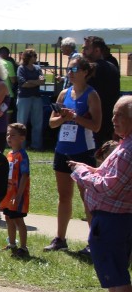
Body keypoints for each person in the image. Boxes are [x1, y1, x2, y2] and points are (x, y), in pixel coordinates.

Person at [71, 97, 132, 292]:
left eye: (119, 115)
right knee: (113, 273)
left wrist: (82, 173)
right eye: (113, 114)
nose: (113, 119)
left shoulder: (128, 150)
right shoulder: (124, 144)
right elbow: (109, 176)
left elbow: (110, 186)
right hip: (111, 218)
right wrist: (88, 169)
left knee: (116, 273)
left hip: (114, 220)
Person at [45, 57, 101, 252]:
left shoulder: (92, 95)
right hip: (63, 149)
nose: (70, 73)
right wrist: (63, 117)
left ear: (85, 72)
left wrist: (75, 117)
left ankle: (93, 242)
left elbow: (96, 125)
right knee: (64, 196)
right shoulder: (64, 93)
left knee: (87, 197)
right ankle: (60, 239)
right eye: (69, 69)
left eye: (74, 69)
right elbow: (52, 123)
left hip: (83, 151)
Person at [0, 123, 31, 258]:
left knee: (18, 219)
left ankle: (23, 247)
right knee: (8, 217)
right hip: (8, 194)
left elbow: (25, 175)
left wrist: (19, 195)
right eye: (8, 134)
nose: (9, 137)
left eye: (13, 135)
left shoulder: (22, 155)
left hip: (18, 194)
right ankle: (12, 243)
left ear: (22, 138)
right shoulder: (9, 154)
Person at [82, 36, 120, 144]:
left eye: (86, 49)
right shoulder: (112, 66)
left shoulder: (92, 69)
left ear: (97, 50)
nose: (83, 52)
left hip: (94, 120)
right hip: (109, 119)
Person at [15, 49, 45, 150]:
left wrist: (31, 81)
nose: (36, 57)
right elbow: (23, 84)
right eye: (34, 56)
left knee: (38, 123)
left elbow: (42, 81)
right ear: (28, 57)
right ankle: (21, 146)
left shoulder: (38, 68)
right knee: (21, 123)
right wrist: (36, 82)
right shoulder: (21, 68)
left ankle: (36, 145)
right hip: (24, 98)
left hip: (36, 97)